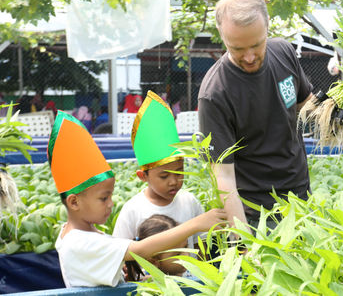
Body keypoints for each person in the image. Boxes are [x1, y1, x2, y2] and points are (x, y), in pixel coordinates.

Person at [197, 0, 343, 228]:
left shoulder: (284, 53)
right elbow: (224, 177)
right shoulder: (215, 94)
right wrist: (242, 241)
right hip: (255, 213)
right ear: (222, 36)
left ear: (267, 25)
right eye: (237, 48)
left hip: (300, 199)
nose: (249, 57)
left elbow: (309, 110)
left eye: (256, 45)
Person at [48, 111, 226, 288]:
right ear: (74, 202)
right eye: (103, 198)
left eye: (110, 196)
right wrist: (195, 224)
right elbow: (140, 250)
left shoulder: (80, 235)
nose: (111, 203)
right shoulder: (79, 242)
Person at [113, 91, 204, 252]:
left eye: (179, 172)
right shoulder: (133, 210)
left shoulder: (190, 202)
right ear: (143, 176)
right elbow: (119, 253)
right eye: (164, 176)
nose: (173, 181)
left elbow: (201, 246)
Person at [125, 214, 188, 281]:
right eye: (177, 254)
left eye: (186, 247)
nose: (186, 256)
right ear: (153, 261)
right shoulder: (145, 283)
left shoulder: (192, 273)